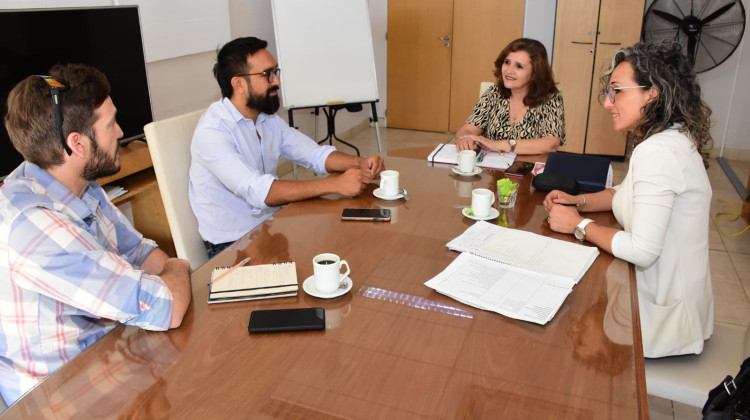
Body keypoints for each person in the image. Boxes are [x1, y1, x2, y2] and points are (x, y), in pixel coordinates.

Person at [0, 64, 192, 405]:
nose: (120, 132)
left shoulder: (72, 181)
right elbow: (168, 306)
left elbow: (138, 251)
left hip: (107, 352)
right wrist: (177, 268)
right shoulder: (35, 226)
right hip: (61, 396)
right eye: (110, 124)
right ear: (77, 144)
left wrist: (165, 277)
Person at [543, 41, 713, 358]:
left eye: (617, 91)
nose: (608, 103)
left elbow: (643, 250)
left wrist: (578, 224)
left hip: (663, 323)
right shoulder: (668, 137)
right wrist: (577, 200)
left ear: (652, 93)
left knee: (559, 321)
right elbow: (625, 193)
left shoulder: (658, 151)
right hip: (673, 305)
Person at [190, 37, 385, 256]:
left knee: (343, 246)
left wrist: (360, 162)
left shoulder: (265, 118)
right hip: (233, 246)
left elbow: (314, 154)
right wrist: (334, 184)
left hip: (271, 225)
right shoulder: (213, 132)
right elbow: (259, 191)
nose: (276, 82)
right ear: (238, 84)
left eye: (276, 72)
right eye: (267, 74)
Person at [455, 38, 565, 155]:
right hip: (492, 168)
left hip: (527, 168)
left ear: (535, 73)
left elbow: (551, 143)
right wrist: (465, 139)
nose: (508, 70)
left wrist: (498, 144)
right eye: (507, 62)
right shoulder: (494, 93)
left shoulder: (551, 98)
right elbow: (468, 129)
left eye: (519, 66)